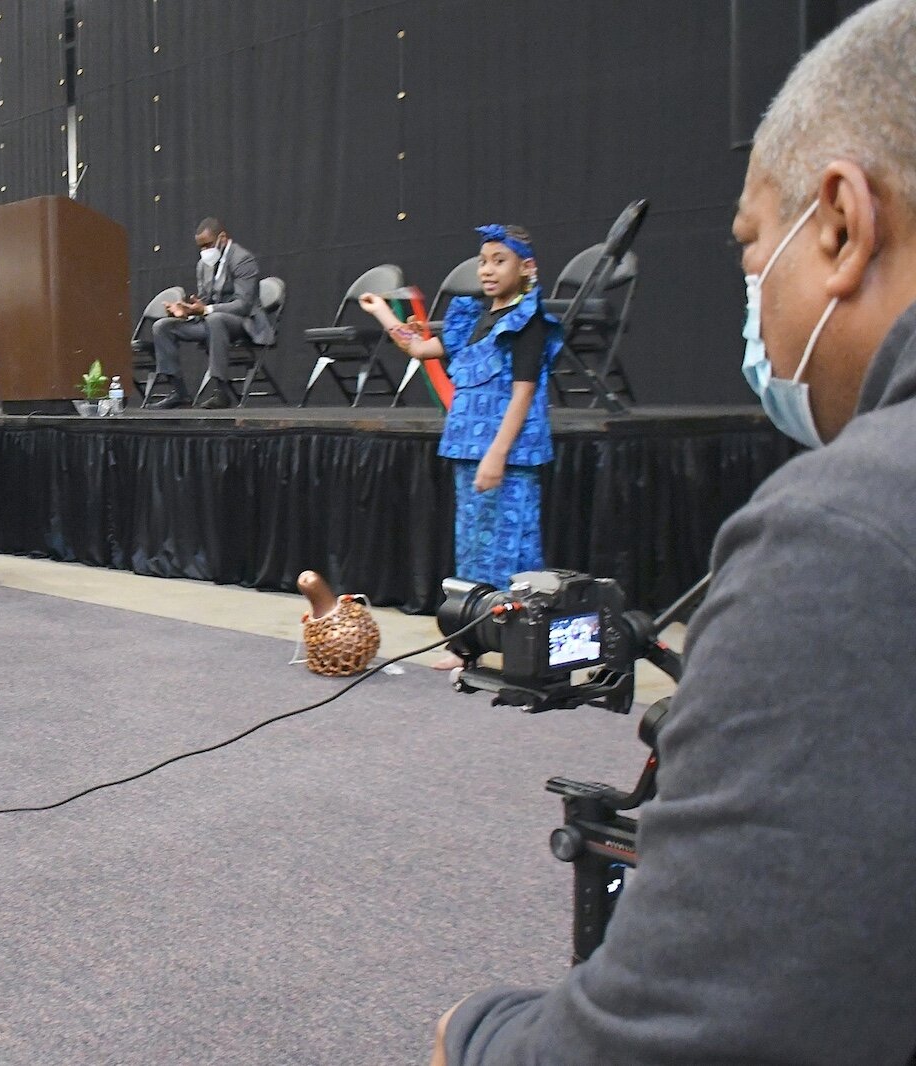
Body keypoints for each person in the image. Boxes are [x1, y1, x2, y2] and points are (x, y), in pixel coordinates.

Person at [432, 2, 916, 1061]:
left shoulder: (843, 537)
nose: (753, 299)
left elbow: (675, 1030)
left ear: (837, 224)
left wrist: (472, 1035)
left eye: (751, 250)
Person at [361, 225, 561, 668]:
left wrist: (497, 453)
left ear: (526, 267)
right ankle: (469, 644)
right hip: (467, 450)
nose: (487, 270)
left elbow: (523, 394)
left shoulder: (528, 321)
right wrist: (383, 313)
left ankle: (524, 649)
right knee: (472, 550)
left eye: (499, 260)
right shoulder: (472, 319)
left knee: (514, 552)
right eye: (483, 260)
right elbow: (419, 348)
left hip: (507, 456)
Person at [150, 217, 273, 410]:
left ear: (222, 238)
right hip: (211, 320)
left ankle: (221, 391)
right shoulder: (204, 265)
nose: (205, 251)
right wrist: (187, 311)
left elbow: (243, 305)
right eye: (201, 247)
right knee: (162, 326)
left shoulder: (242, 259)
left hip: (243, 322)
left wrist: (207, 310)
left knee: (216, 319)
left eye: (208, 245)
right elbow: (205, 300)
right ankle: (179, 392)